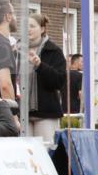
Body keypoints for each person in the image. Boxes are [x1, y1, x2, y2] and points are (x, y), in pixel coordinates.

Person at [25, 13, 67, 142]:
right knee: (25, 154)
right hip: (23, 112)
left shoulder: (54, 51)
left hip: (46, 112)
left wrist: (40, 65)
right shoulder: (18, 50)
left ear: (42, 29)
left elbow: (59, 81)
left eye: (32, 26)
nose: (28, 29)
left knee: (46, 152)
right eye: (25, 26)